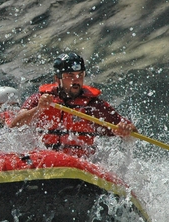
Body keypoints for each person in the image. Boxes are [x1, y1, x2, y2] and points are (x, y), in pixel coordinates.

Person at [9, 52, 137, 157]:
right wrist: (38, 109)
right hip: (43, 161)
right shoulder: (39, 99)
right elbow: (14, 126)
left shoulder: (94, 106)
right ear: (57, 78)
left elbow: (132, 132)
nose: (76, 80)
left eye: (80, 75)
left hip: (79, 167)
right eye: (70, 75)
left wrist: (125, 129)